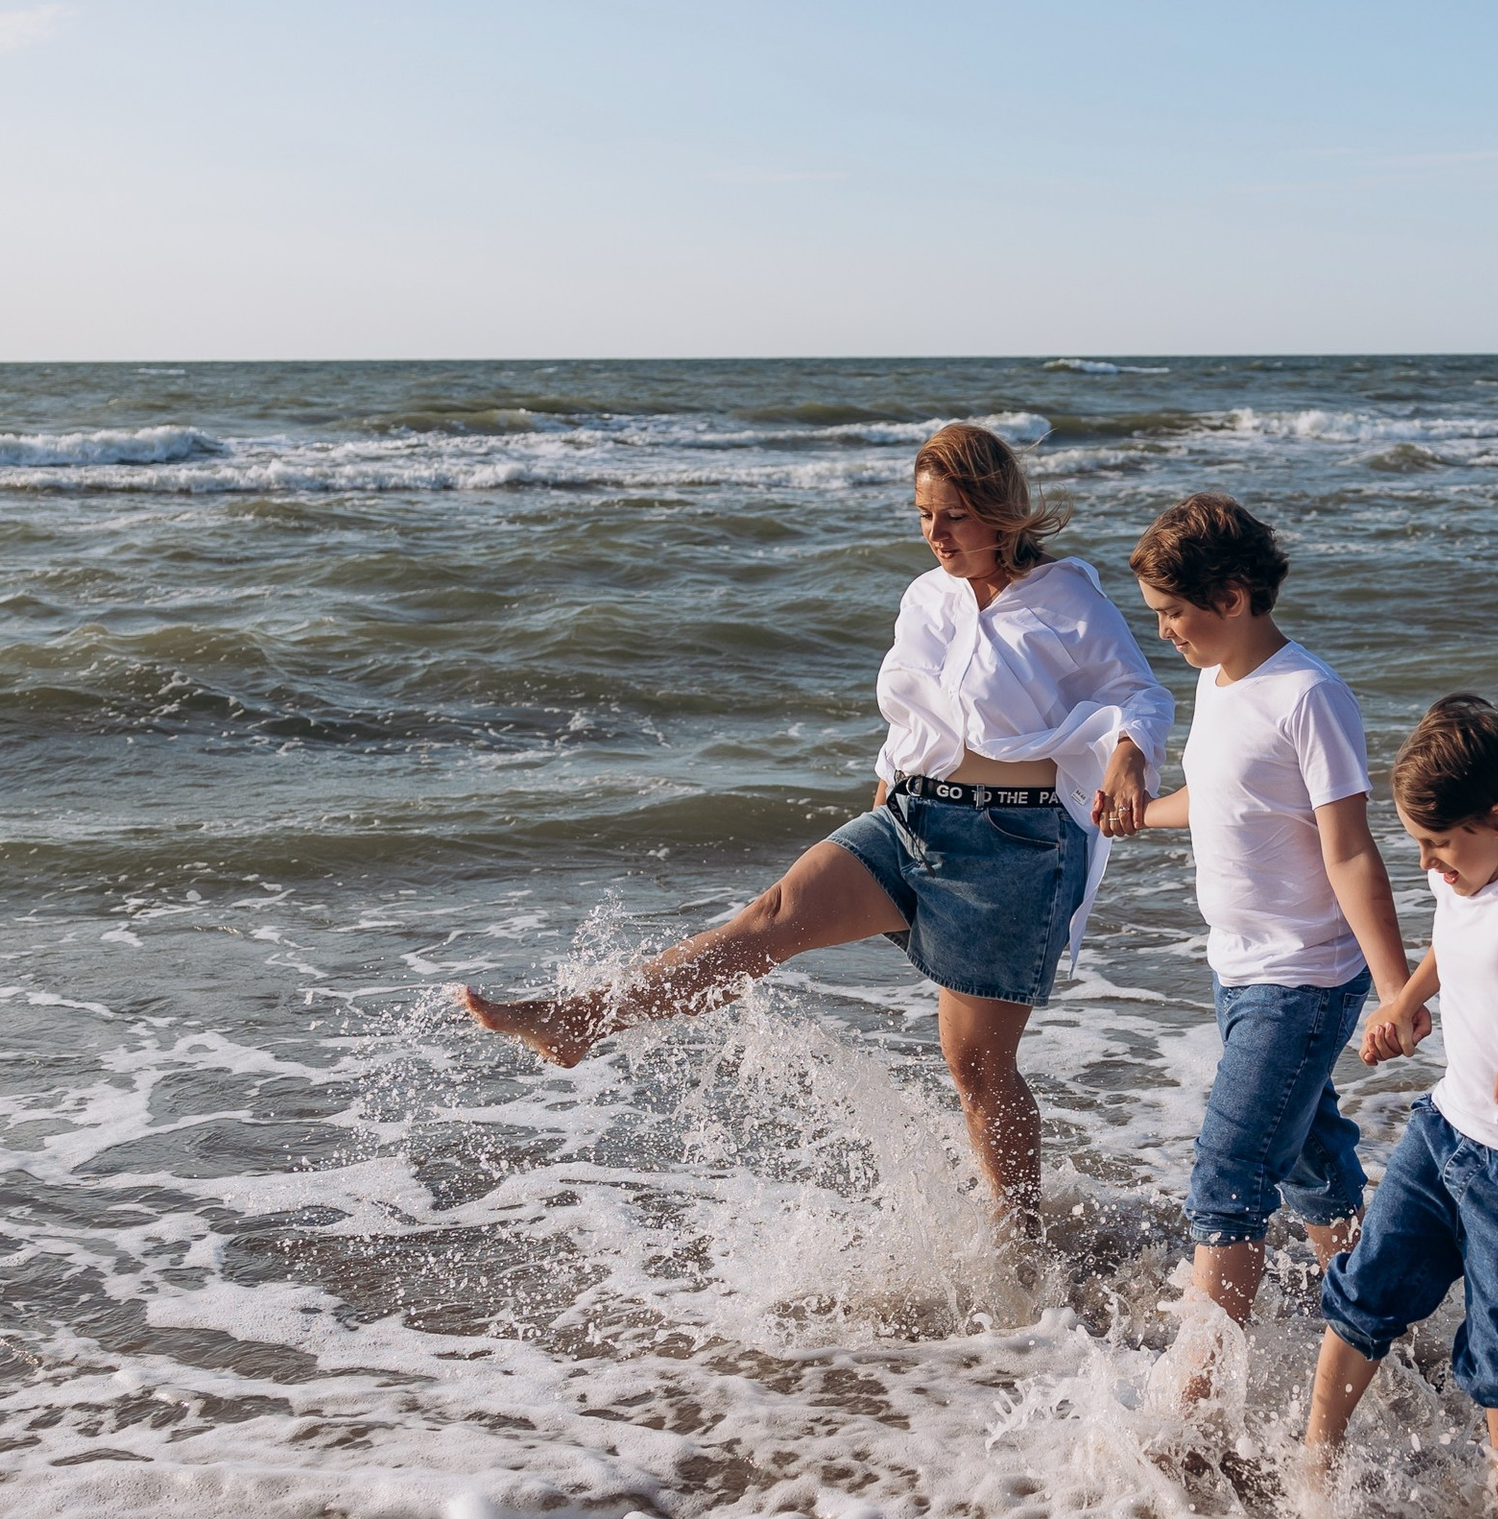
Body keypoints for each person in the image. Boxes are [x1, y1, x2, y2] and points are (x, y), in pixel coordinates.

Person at [460, 422, 1173, 1231]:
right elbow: (914, 713)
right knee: (768, 922)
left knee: (977, 1068)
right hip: (911, 819)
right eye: (922, 516)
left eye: (953, 516)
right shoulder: (926, 597)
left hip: (1014, 849)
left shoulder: (1067, 596)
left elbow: (1141, 693)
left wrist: (1128, 758)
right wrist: (886, 793)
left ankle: (1020, 1245)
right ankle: (579, 1019)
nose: (935, 535)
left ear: (999, 513)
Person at [1303, 694, 1498, 1512]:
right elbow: (1451, 936)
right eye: (1418, 844)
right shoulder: (1464, 875)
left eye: (1438, 844)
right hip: (1445, 1135)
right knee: (1366, 1287)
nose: (1428, 864)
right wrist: (1406, 1001)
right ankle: (1314, 1461)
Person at [1126, 494, 1412, 1349]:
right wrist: (1139, 814)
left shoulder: (1309, 696)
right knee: (1312, 1157)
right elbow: (1224, 799)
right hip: (1239, 967)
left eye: (1173, 614)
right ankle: (1376, 1327)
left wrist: (1396, 989)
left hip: (1304, 974)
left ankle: (1199, 1402)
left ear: (1233, 595)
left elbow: (1352, 851)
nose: (1165, 633)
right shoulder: (1218, 681)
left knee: (1230, 1171)